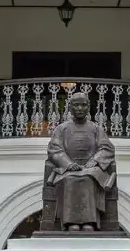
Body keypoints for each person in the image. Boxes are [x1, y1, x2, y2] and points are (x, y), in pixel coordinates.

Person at [46, 92, 116, 232]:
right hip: (68, 169)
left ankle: (89, 222)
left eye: (83, 105)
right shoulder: (62, 129)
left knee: (88, 178)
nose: (80, 108)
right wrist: (68, 164)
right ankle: (71, 222)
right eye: (76, 105)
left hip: (91, 168)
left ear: (88, 107)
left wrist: (95, 160)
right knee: (71, 179)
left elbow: (107, 148)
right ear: (70, 107)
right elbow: (54, 149)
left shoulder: (96, 129)